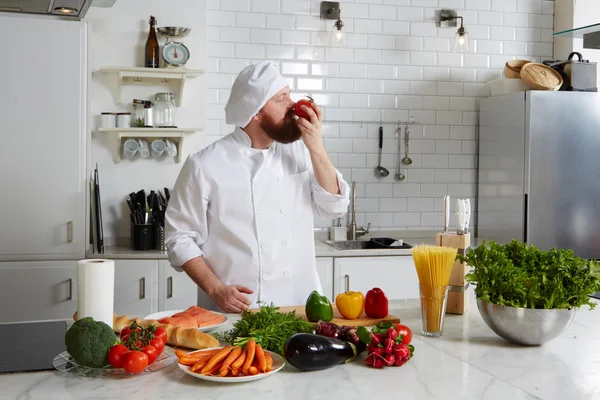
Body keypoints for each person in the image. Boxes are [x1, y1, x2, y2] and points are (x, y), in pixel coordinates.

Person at [164, 61, 350, 313]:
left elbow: (335, 206)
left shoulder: (302, 150)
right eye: (281, 99)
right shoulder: (205, 164)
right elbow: (179, 237)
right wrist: (216, 289)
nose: (293, 106)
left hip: (301, 305)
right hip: (237, 309)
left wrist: (316, 146)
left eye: (289, 95)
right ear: (255, 112)